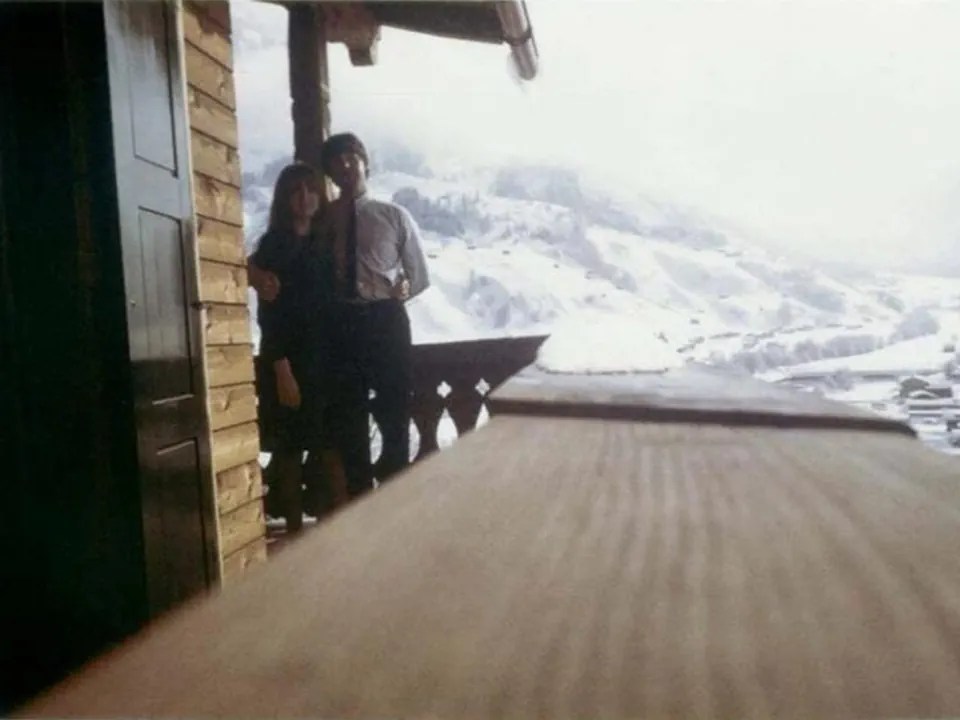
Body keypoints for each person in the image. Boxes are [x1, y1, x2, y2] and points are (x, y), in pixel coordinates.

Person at [319, 132, 430, 486]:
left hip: (386, 319)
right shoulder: (322, 221)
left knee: (394, 408)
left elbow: (419, 275)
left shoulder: (394, 215)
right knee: (348, 415)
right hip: (341, 324)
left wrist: (404, 289)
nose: (345, 166)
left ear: (365, 162)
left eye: (351, 157)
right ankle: (358, 499)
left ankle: (395, 495)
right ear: (330, 174)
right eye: (336, 163)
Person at [248, 162, 350, 532]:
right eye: (296, 191)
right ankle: (293, 534)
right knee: (290, 451)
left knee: (329, 446)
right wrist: (281, 368)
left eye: (310, 190)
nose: (305, 198)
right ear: (285, 199)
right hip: (289, 363)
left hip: (326, 362)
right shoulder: (274, 246)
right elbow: (269, 318)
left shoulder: (325, 244)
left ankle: (337, 533)